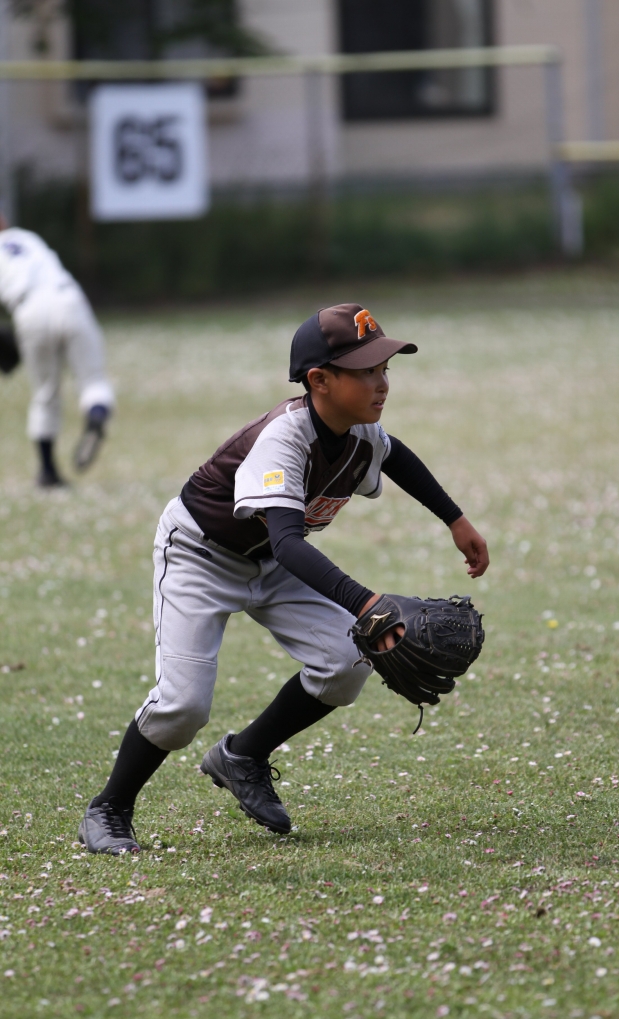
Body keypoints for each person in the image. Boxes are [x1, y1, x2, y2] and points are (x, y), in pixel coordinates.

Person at [78, 303, 490, 855]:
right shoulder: (284, 438)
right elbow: (290, 543)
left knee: (345, 663)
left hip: (271, 562)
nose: (381, 383)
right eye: (365, 370)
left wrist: (454, 519)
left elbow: (395, 455)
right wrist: (366, 603)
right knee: (182, 708)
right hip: (201, 556)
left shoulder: (360, 431)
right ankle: (108, 809)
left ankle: (242, 755)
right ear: (319, 380)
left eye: (384, 368)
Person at [0, 212, 114, 486]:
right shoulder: (26, 237)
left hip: (28, 309)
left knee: (45, 393)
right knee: (93, 380)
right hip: (68, 298)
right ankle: (96, 414)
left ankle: (48, 472)